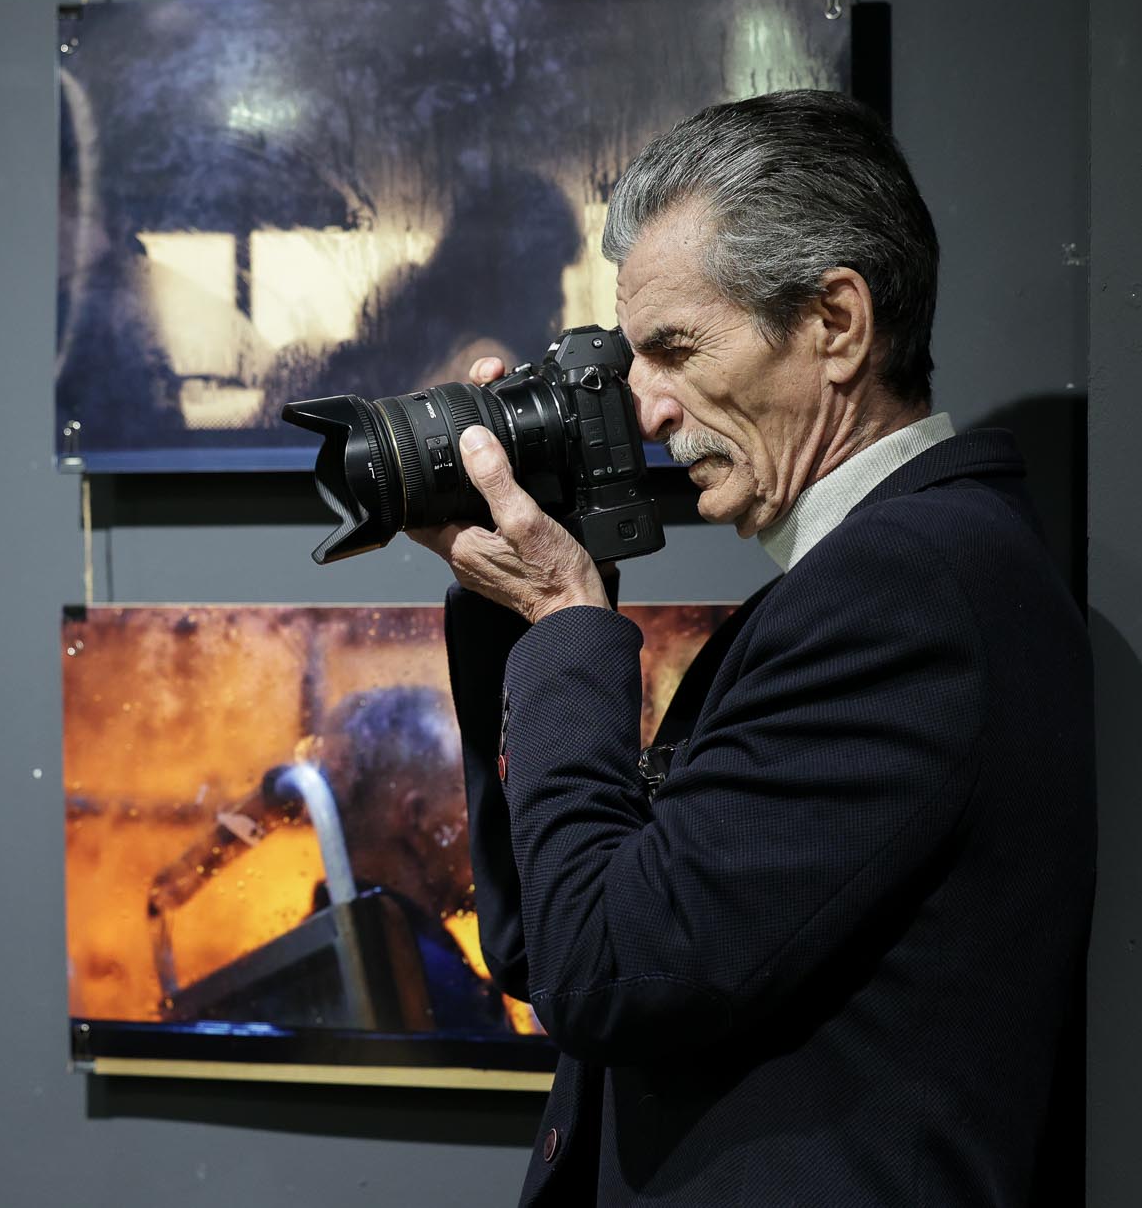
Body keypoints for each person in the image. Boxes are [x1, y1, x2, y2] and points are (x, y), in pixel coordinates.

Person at [415, 90, 1093, 1205]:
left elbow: (609, 969)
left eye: (675, 349)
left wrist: (569, 622)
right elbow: (544, 942)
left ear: (836, 324)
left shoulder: (906, 591)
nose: (644, 409)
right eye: (631, 358)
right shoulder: (884, 579)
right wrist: (514, 607)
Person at [310, 685, 511, 1032]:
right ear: (417, 816)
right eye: (467, 802)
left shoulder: (325, 948)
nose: (483, 827)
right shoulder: (428, 974)